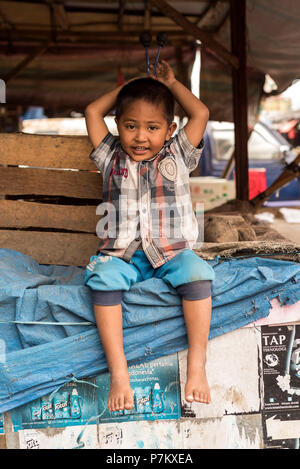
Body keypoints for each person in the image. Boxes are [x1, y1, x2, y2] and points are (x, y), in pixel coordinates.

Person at [84, 60, 215, 413]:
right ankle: (119, 372)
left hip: (172, 251)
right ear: (117, 126)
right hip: (122, 254)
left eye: (152, 127)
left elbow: (200, 112)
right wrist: (132, 85)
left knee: (198, 276)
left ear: (170, 129)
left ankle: (197, 366)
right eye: (130, 126)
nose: (141, 136)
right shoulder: (110, 155)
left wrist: (170, 84)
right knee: (103, 282)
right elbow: (92, 110)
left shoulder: (179, 153)